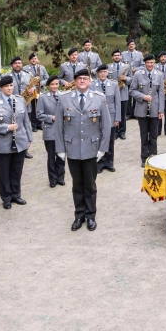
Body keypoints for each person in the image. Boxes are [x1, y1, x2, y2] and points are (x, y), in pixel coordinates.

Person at [54, 69, 112, 231]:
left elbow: (106, 126)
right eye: (79, 78)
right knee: (77, 184)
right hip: (72, 148)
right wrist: (60, 149)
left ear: (90, 81)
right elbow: (58, 126)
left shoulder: (99, 98)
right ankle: (79, 215)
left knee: (90, 185)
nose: (82, 81)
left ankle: (91, 215)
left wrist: (103, 148)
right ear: (74, 81)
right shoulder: (64, 98)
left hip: (91, 149)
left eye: (85, 78)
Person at [0, 75, 34, 209]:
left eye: (11, 85)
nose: (9, 88)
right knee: (4, 172)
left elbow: (26, 121)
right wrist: (6, 127)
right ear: (1, 88)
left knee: (17, 170)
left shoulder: (20, 99)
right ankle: (6, 197)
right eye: (6, 86)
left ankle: (16, 195)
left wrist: (29, 138)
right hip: (2, 142)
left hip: (20, 140)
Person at [129, 54, 164, 167]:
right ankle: (144, 158)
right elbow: (132, 91)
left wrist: (161, 110)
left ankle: (153, 157)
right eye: (148, 63)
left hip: (154, 109)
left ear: (154, 63)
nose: (150, 65)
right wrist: (143, 97)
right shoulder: (138, 74)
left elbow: (161, 94)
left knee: (153, 135)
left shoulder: (159, 75)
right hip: (142, 109)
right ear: (144, 63)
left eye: (152, 62)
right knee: (144, 135)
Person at [36, 76, 66, 187]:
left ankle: (60, 177)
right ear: (48, 86)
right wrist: (51, 117)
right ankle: (52, 179)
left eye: (56, 84)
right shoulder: (43, 97)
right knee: (51, 156)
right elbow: (39, 115)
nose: (54, 86)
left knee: (61, 155)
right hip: (50, 130)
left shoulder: (63, 95)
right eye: (52, 84)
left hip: (62, 130)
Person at [92, 65, 121, 172]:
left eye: (104, 72)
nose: (103, 74)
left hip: (111, 116)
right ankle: (99, 163)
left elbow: (117, 103)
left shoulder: (114, 84)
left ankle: (109, 162)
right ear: (97, 73)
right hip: (97, 117)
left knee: (110, 140)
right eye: (100, 72)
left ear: (107, 73)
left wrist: (117, 118)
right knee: (99, 140)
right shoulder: (92, 85)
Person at [107, 49, 130, 140]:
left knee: (123, 114)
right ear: (112, 57)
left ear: (121, 56)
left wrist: (126, 78)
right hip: (112, 94)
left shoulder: (126, 66)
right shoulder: (108, 67)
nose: (117, 57)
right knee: (113, 113)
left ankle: (122, 132)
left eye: (118, 55)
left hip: (123, 93)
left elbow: (132, 78)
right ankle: (115, 132)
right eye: (115, 55)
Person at [23, 53, 48, 131]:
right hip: (31, 91)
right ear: (29, 60)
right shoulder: (25, 68)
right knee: (33, 108)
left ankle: (40, 124)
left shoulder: (42, 68)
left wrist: (41, 83)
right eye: (32, 59)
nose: (34, 60)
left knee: (40, 107)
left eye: (35, 59)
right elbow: (24, 80)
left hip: (40, 90)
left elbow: (47, 78)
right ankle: (33, 125)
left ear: (37, 59)